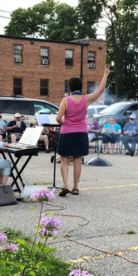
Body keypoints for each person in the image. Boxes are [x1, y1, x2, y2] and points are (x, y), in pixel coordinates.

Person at [56, 65, 110, 196]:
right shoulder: (86, 99)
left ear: (70, 87)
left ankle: (65, 185)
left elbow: (58, 118)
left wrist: (64, 122)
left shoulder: (66, 100)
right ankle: (75, 187)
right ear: (81, 87)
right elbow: (100, 90)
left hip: (67, 132)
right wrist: (105, 75)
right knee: (77, 160)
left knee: (64, 159)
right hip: (80, 132)